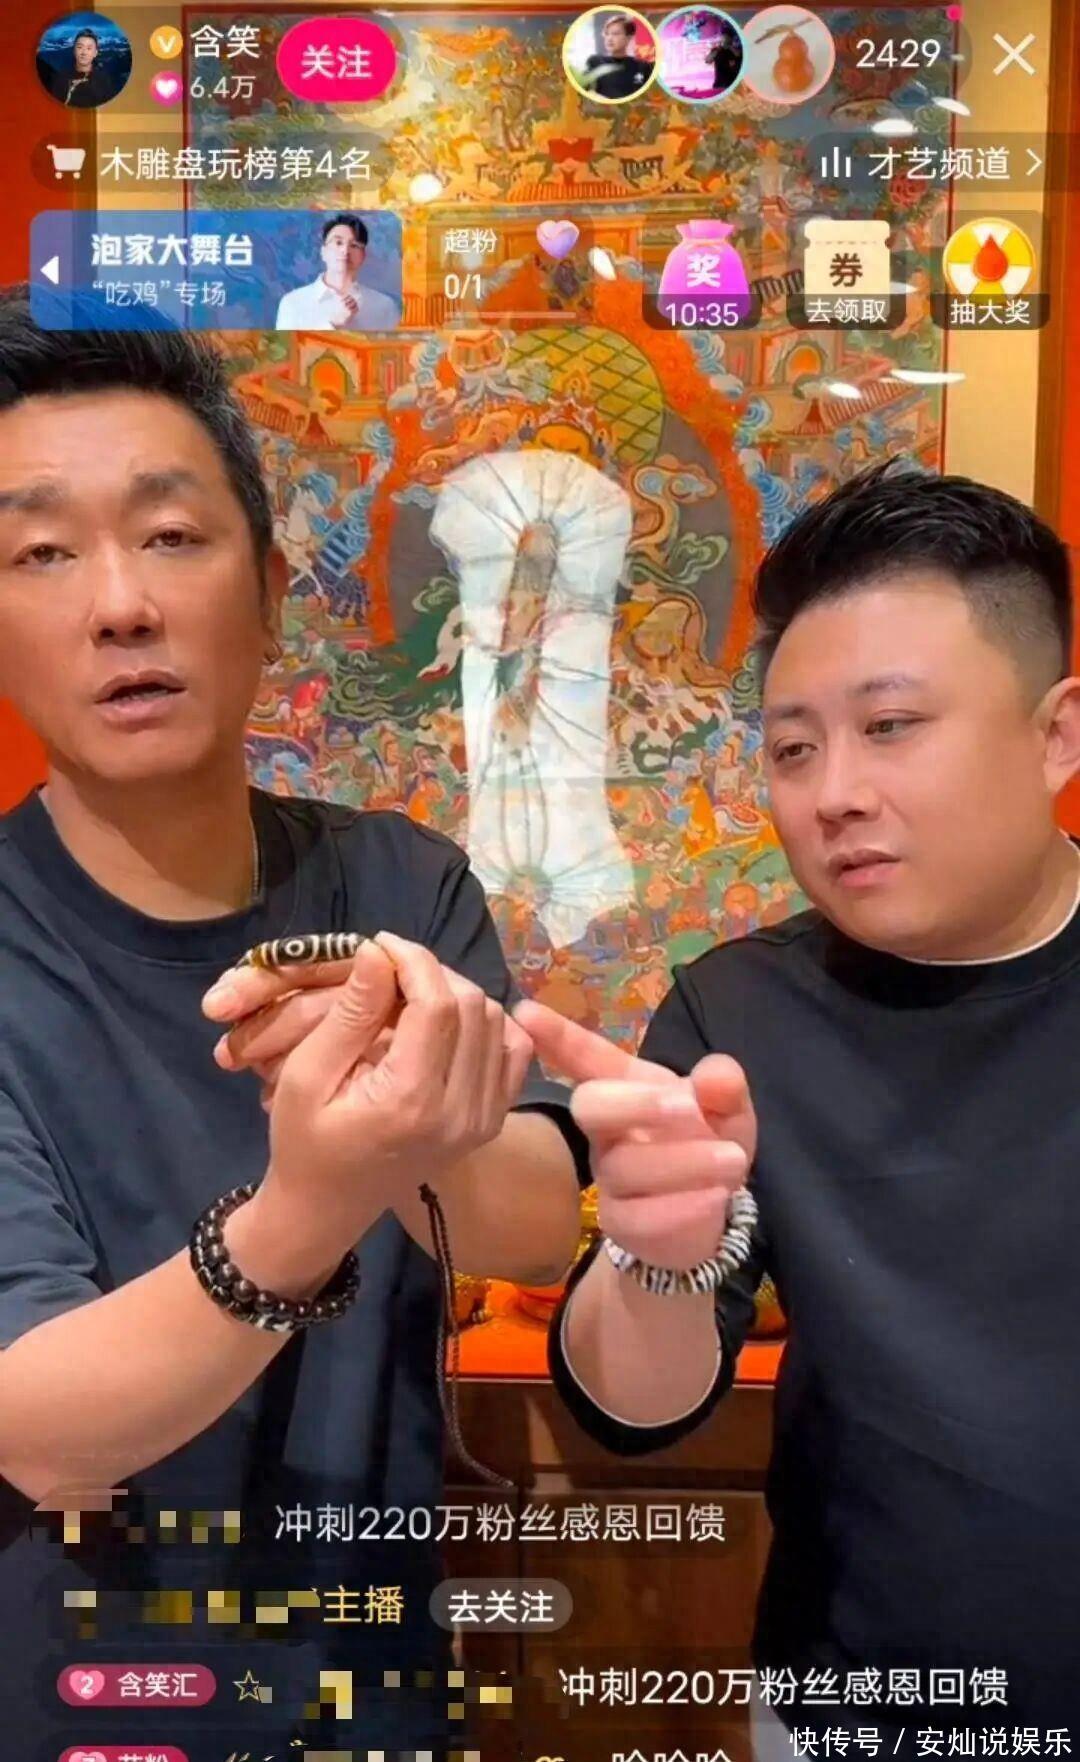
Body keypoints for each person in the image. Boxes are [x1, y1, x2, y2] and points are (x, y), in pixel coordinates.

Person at [0, 286, 586, 1758]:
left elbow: (531, 1227)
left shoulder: (398, 882)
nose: (120, 603)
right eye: (42, 552)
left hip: (368, 1693)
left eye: (169, 533)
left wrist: (416, 1104)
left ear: (268, 593)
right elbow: (37, 1427)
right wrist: (307, 1206)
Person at [517, 465, 1080, 1736]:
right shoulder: (737, 1016)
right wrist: (656, 1262)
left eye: (892, 725)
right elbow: (634, 1412)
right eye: (792, 749)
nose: (834, 793)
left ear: (1057, 735)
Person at [275, 214, 401, 332]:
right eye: (338, 243)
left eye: (354, 245)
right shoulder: (293, 304)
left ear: (363, 255)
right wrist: (333, 324)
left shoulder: (385, 306)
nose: (345, 250)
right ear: (323, 252)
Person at [38, 27, 120, 108]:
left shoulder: (103, 80)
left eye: (89, 48)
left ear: (95, 53)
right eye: (80, 47)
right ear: (74, 50)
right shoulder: (61, 78)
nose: (84, 52)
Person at [579, 14, 654, 100]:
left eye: (615, 34)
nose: (609, 38)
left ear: (629, 38)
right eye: (607, 34)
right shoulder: (594, 62)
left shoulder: (642, 66)